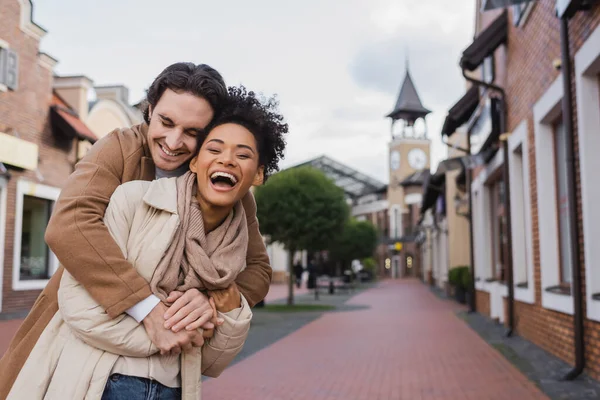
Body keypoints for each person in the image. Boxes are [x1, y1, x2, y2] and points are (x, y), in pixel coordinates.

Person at [0, 63, 273, 399]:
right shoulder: (119, 147)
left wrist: (211, 299)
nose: (173, 141)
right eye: (166, 122)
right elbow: (69, 223)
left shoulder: (230, 189)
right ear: (148, 111)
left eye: (193, 132)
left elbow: (258, 269)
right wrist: (147, 309)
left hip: (170, 367)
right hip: (88, 323)